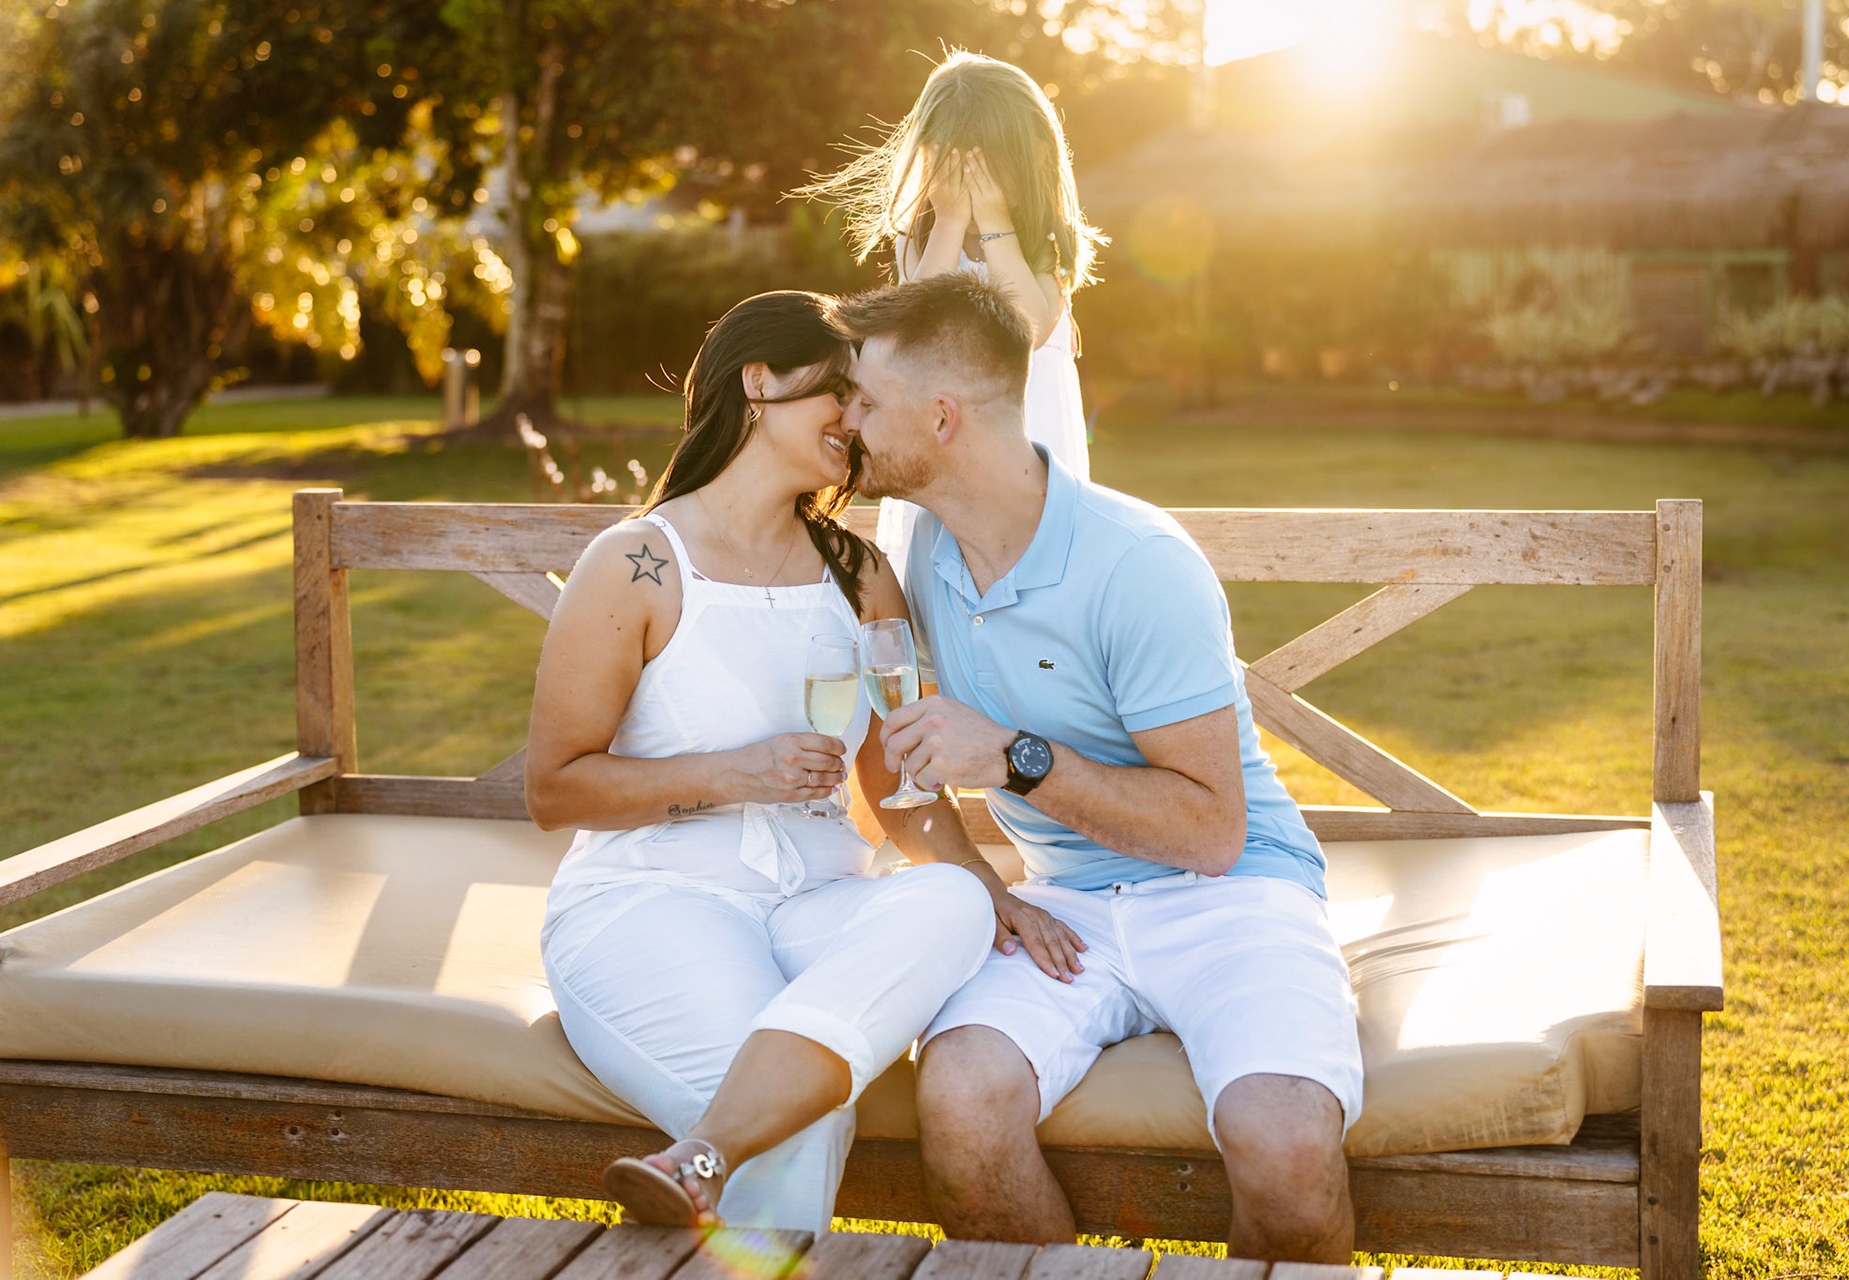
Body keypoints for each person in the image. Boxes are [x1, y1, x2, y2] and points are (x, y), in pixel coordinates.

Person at [833, 274, 1367, 1263]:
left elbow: (1212, 831)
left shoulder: (1136, 561)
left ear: (941, 417)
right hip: (1064, 902)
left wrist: (1012, 757)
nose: (844, 419)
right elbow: (891, 764)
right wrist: (989, 888)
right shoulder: (923, 550)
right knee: (961, 1100)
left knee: (1286, 1142)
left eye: (863, 400)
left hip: (1231, 890)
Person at [523, 290, 1000, 1236]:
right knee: (801, 1123)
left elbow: (894, 786)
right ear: (759, 382)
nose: (858, 420)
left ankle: (705, 1153)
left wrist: (996, 893)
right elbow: (554, 788)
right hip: (653, 904)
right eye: (842, 393)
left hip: (819, 902)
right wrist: (731, 774)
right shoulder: (639, 563)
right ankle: (723, 1163)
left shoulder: (859, 573)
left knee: (955, 901)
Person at [794, 49, 1103, 579]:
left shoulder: (1041, 243)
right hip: (941, 451)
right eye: (958, 163)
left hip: (1030, 444)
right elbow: (910, 336)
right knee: (943, 581)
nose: (973, 177)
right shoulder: (921, 236)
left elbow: (1028, 329)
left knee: (1033, 576)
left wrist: (996, 224)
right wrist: (952, 219)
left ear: (1029, 161)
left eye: (990, 164)